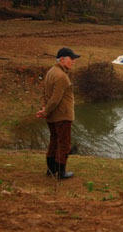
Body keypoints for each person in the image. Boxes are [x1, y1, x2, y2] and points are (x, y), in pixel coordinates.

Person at [36, 47, 80, 179]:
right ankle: (61, 172)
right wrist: (45, 111)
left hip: (53, 115)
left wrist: (44, 109)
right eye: (71, 59)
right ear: (62, 59)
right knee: (64, 143)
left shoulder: (51, 71)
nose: (74, 61)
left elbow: (44, 93)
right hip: (62, 116)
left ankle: (51, 170)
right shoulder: (61, 76)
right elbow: (55, 99)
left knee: (54, 141)